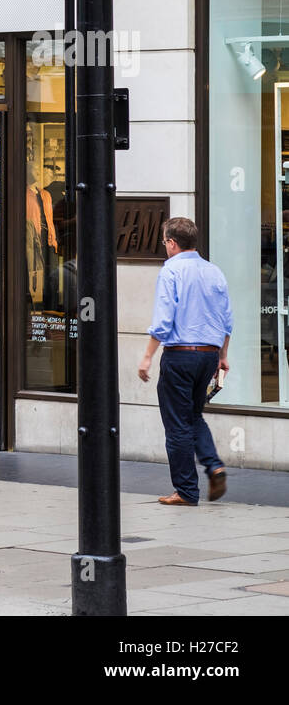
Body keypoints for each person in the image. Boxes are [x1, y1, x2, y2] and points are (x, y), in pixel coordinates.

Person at [137, 216, 232, 505]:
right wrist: (223, 356)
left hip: (180, 356)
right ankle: (214, 465)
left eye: (165, 242)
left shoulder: (171, 271)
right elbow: (226, 320)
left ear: (172, 243)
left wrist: (147, 356)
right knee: (193, 415)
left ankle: (186, 491)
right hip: (208, 355)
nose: (165, 247)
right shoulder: (214, 271)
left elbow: (164, 321)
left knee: (177, 423)